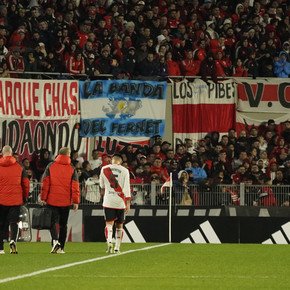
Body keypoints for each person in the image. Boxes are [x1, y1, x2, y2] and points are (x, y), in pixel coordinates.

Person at [40, 147, 80, 254]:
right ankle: (61, 247)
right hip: (65, 202)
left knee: (52, 223)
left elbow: (45, 183)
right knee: (63, 225)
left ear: (58, 154)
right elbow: (75, 186)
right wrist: (76, 201)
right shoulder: (72, 168)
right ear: (68, 155)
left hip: (52, 200)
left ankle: (55, 242)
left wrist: (43, 198)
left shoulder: (50, 166)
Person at [0, 145, 30, 254]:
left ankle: (0, 248)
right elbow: (26, 184)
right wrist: (25, 196)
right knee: (14, 222)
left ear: (3, 154)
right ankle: (13, 240)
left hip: (1, 200)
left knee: (1, 224)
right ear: (11, 154)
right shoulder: (20, 167)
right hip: (15, 200)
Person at [99, 154, 131, 254]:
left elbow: (101, 185)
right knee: (120, 225)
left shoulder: (104, 169)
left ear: (112, 160)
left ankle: (109, 242)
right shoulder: (125, 171)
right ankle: (117, 247)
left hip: (108, 201)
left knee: (109, 224)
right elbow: (127, 187)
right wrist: (128, 202)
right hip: (120, 202)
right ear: (120, 161)